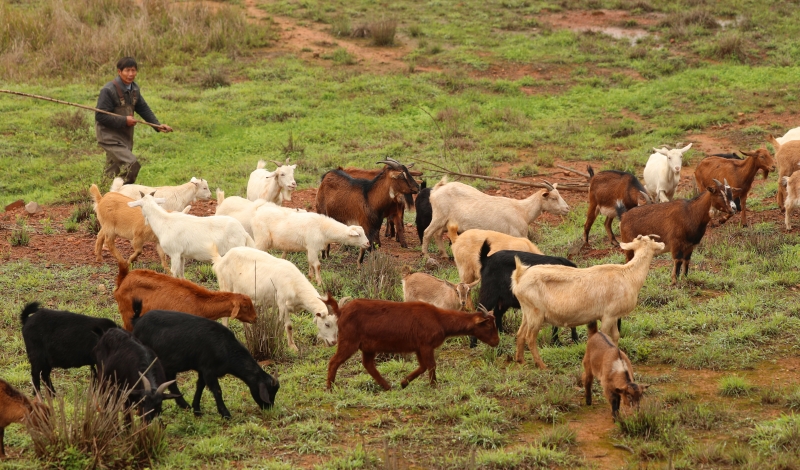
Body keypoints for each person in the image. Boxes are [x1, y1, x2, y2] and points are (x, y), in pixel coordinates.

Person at [95, 57, 172, 184]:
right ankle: (122, 191)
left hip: (124, 136)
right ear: (119, 72)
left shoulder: (134, 89)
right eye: (127, 71)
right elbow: (100, 116)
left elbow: (142, 108)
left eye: (133, 70)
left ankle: (104, 197)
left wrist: (157, 125)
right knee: (132, 164)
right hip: (108, 137)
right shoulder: (108, 90)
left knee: (111, 170)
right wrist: (124, 120)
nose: (131, 74)